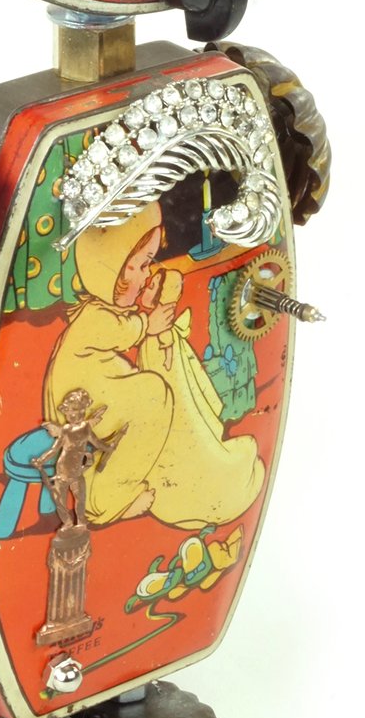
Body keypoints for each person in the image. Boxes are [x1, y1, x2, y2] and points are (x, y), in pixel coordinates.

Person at [42, 202, 265, 528]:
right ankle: (106, 501)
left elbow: (122, 323)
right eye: (143, 265)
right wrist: (149, 324)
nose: (148, 274)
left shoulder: (98, 308)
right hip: (84, 401)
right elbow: (121, 330)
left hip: (96, 392)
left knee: (150, 395)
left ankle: (121, 487)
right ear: (114, 270)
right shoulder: (92, 318)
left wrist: (144, 310)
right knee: (153, 397)